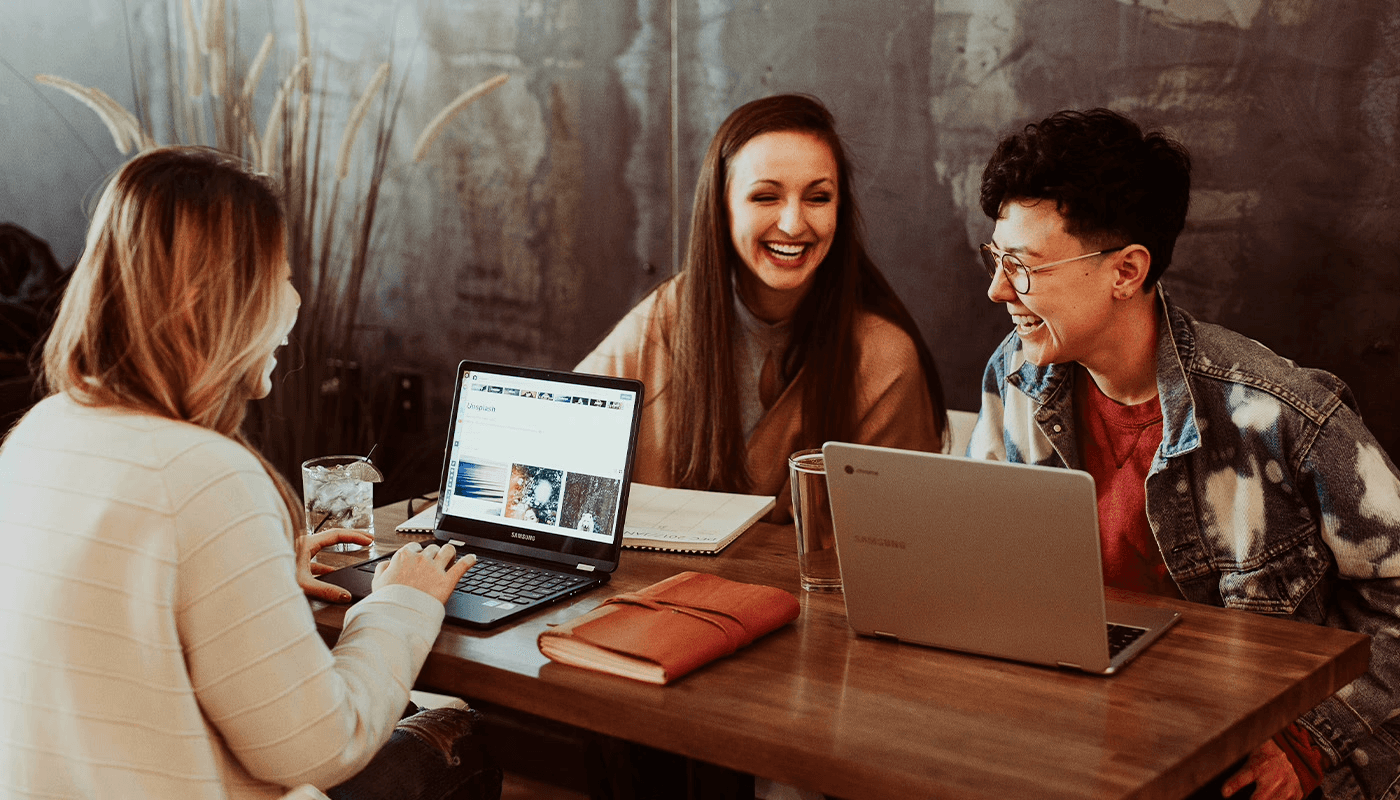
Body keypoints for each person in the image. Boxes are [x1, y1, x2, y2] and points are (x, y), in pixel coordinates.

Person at [0, 147, 499, 800]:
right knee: (465, 742)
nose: (294, 302)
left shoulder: (41, 432)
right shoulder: (207, 476)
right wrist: (402, 602)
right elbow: (320, 749)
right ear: (211, 302)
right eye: (280, 276)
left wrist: (255, 570)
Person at [967, 108, 1400, 800]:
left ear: (1126, 270)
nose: (998, 290)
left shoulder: (1279, 414)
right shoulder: (1015, 375)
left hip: (1232, 758)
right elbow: (985, 560)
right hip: (1078, 736)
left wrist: (1311, 741)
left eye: (1023, 266)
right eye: (997, 258)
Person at [578, 93, 946, 518]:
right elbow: (555, 446)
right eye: (765, 197)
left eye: (818, 198)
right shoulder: (664, 319)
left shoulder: (885, 359)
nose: (793, 224)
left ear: (840, 210)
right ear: (722, 207)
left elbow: (900, 544)